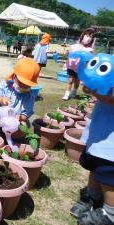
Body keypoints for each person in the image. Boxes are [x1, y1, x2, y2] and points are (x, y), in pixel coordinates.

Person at [70, 86, 114, 225]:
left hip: (111, 138)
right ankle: (92, 194)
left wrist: (97, 91)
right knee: (94, 164)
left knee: (108, 174)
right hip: (101, 126)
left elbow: (109, 98)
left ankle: (110, 212)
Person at [0, 58, 40, 140]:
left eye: (27, 85)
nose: (23, 87)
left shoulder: (29, 96)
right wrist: (0, 99)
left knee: (23, 127)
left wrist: (19, 117)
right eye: (21, 83)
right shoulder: (6, 86)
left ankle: (11, 139)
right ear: (14, 76)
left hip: (15, 120)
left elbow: (25, 115)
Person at [62, 28, 95, 100]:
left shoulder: (90, 50)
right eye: (87, 36)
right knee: (70, 80)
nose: (88, 38)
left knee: (77, 82)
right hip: (71, 66)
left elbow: (90, 60)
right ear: (82, 36)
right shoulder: (74, 46)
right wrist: (67, 54)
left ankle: (74, 91)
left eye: (91, 37)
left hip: (80, 69)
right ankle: (66, 94)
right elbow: (69, 55)